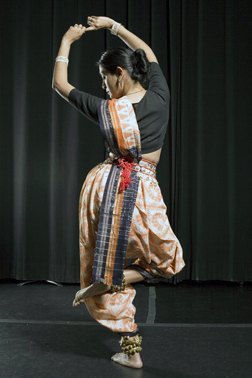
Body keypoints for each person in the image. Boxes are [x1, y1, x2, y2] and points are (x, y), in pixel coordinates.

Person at [52, 15, 185, 369]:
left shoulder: (107, 110)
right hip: (143, 189)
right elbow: (147, 52)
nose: (104, 85)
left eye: (104, 78)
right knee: (167, 262)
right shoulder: (160, 94)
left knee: (113, 263)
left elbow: (59, 84)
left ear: (119, 74)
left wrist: (67, 42)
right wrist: (114, 27)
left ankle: (106, 281)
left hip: (108, 189)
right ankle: (129, 346)